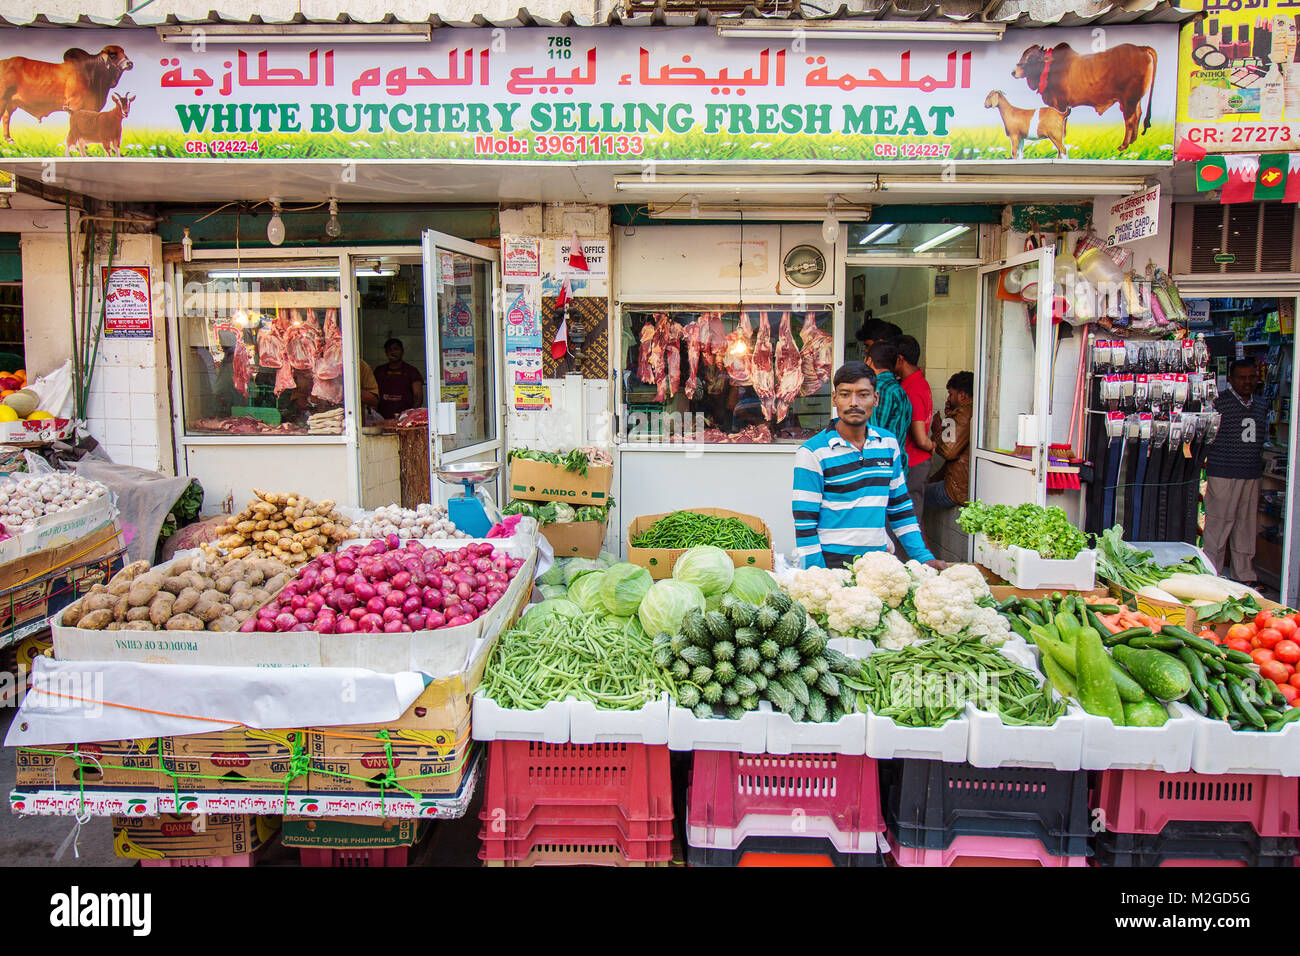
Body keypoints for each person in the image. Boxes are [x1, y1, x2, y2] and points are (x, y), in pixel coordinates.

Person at [793, 361, 944, 570]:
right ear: (835, 399)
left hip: (877, 564)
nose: (853, 402)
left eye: (863, 394)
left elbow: (900, 508)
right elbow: (804, 523)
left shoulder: (888, 444)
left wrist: (923, 556)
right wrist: (817, 573)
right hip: (831, 564)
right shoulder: (812, 452)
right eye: (845, 394)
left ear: (876, 399)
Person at [1203, 358, 1269, 586]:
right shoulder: (1219, 403)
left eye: (1251, 377)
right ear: (1231, 379)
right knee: (1218, 525)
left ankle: (1245, 576)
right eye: (1242, 377)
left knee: (1246, 526)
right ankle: (1211, 575)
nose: (1247, 382)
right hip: (1223, 472)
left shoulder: (1261, 405)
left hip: (1251, 473)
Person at [895, 335, 936, 518]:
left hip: (914, 462)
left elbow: (920, 437)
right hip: (915, 461)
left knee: (908, 522)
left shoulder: (912, 388)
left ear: (900, 359)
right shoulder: (919, 382)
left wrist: (930, 446)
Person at [926, 372, 974, 511]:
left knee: (913, 497)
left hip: (956, 490)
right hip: (961, 486)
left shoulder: (964, 412)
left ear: (962, 395)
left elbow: (949, 451)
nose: (948, 398)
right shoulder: (968, 411)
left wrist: (936, 431)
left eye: (951, 394)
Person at [865, 340, 912, 450]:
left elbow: (875, 433)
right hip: (897, 460)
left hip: (881, 461)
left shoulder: (878, 389)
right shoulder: (900, 390)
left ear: (869, 361)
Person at [373, 338, 424, 420]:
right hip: (382, 418)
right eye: (389, 350)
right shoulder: (379, 371)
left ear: (402, 351)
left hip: (405, 419)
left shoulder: (411, 371)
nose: (393, 352)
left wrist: (409, 417)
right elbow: (373, 394)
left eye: (396, 349)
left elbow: (418, 397)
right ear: (386, 353)